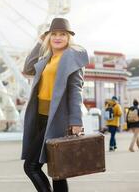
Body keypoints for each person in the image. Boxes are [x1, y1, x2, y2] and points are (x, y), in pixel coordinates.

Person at [21, 18, 88, 192]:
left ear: (68, 38)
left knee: (32, 166)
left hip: (58, 119)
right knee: (58, 170)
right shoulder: (48, 57)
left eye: (63, 34)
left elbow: (75, 91)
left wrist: (75, 121)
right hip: (41, 118)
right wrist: (40, 43)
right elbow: (28, 68)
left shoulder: (71, 58)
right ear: (49, 36)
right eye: (54, 34)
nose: (58, 37)